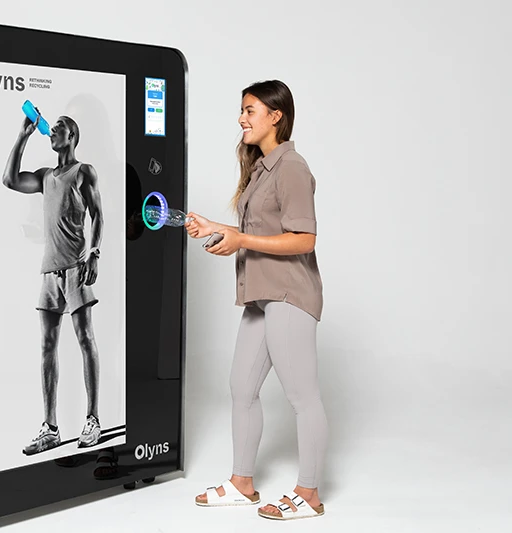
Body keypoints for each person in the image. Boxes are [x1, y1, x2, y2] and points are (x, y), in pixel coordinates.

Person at [186, 80, 329, 520]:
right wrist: (217, 227)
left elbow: (304, 239)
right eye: (241, 110)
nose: (241, 118)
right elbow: (256, 233)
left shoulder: (291, 167)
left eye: (250, 110)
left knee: (302, 395)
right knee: (241, 389)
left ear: (275, 116)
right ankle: (242, 483)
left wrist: (240, 238)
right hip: (260, 295)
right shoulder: (262, 168)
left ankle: (309, 494)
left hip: (288, 293)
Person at [2, 108, 104, 456]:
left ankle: (92, 419)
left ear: (71, 136)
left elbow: (99, 214)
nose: (53, 131)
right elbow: (10, 180)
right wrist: (24, 134)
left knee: (85, 339)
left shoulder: (83, 171)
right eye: (52, 128)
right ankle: (51, 429)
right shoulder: (46, 176)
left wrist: (95, 251)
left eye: (58, 128)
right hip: (49, 271)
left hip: (76, 267)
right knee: (47, 346)